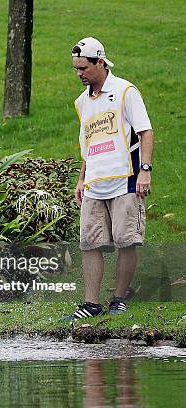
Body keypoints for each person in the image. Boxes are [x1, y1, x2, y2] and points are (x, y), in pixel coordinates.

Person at [66, 37, 154, 320]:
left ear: (100, 62)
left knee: (126, 240)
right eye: (76, 69)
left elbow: (145, 132)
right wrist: (81, 179)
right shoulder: (82, 102)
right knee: (90, 243)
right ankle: (91, 304)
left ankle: (119, 298)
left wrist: (145, 171)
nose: (79, 74)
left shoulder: (126, 91)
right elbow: (88, 145)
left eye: (83, 68)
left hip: (126, 178)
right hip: (94, 182)